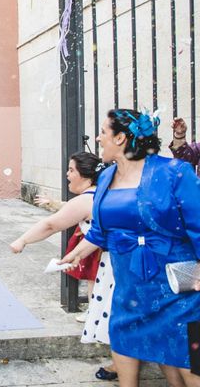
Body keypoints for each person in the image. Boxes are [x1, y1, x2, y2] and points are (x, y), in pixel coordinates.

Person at [61, 108, 200, 387]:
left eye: (103, 132)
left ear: (121, 138)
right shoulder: (106, 178)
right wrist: (76, 254)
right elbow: (101, 230)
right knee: (125, 343)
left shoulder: (175, 172)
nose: (99, 139)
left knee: (186, 366)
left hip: (177, 288)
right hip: (130, 289)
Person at [10, 152, 116, 380]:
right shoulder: (103, 193)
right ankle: (120, 362)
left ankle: (124, 367)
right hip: (117, 259)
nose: (67, 175)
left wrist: (23, 240)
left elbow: (51, 225)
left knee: (113, 313)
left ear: (86, 177)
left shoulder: (86, 199)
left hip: (112, 264)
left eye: (71, 170)